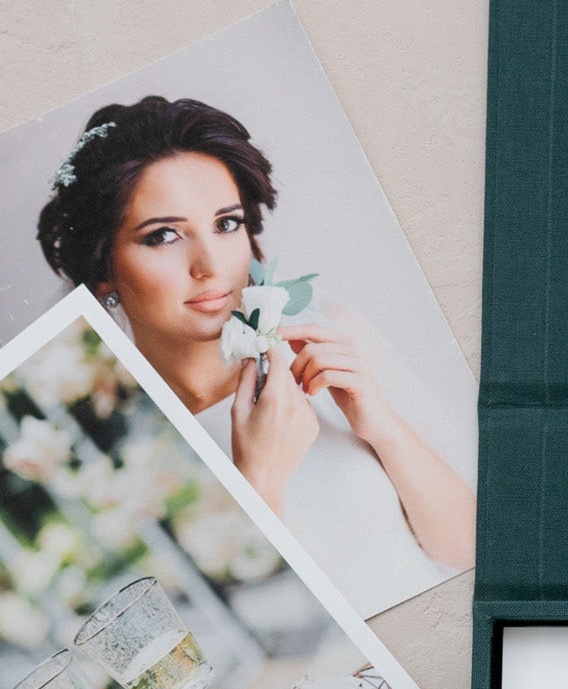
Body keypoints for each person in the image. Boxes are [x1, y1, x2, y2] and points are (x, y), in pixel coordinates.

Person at [37, 96, 474, 615]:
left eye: (226, 224)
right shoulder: (127, 461)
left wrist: (379, 424)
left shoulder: (326, 343)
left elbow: (469, 553)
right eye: (163, 236)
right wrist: (259, 480)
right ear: (104, 268)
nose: (210, 266)